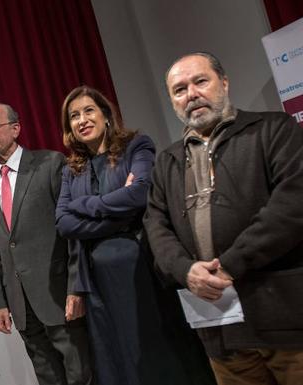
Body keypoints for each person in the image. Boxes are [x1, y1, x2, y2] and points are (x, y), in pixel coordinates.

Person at [143, 51, 303, 385]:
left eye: (200, 81)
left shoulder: (274, 129)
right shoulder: (167, 161)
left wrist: (229, 265)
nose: (191, 94)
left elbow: (291, 207)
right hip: (219, 331)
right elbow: (156, 226)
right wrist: (185, 271)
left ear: (224, 82)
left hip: (285, 321)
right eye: (180, 89)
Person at [56, 86, 215, 385]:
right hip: (98, 281)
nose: (82, 120)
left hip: (140, 266)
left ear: (105, 114)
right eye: (74, 116)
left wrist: (86, 205)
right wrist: (117, 210)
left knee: (158, 353)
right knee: (119, 362)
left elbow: (141, 194)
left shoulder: (135, 146)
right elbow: (64, 223)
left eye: (89, 111)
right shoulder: (71, 168)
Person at [0, 103, 93, 385]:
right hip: (21, 306)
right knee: (48, 378)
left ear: (15, 128)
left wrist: (75, 288)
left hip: (59, 298)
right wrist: (1, 304)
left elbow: (73, 234)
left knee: (82, 377)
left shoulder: (50, 164)